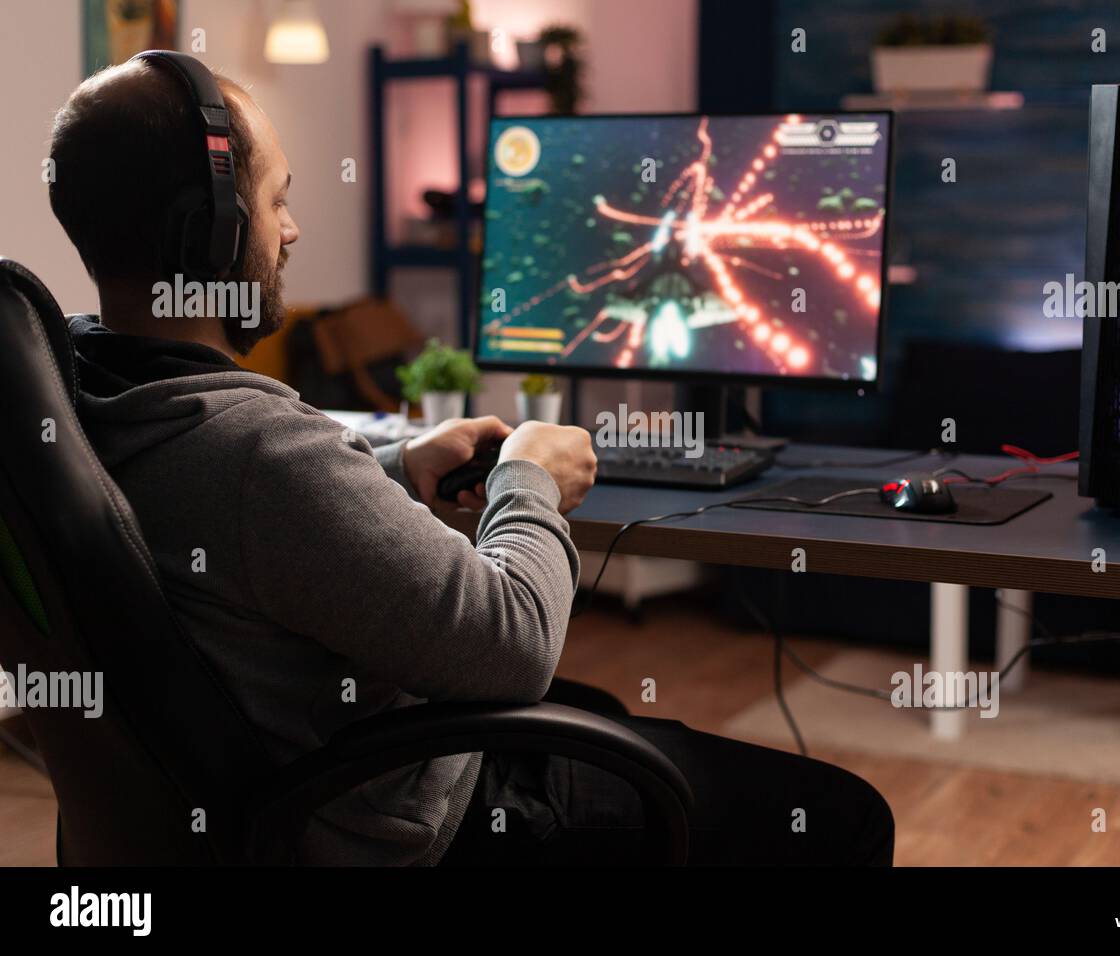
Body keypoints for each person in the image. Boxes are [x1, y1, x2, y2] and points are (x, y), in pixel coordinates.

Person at [46, 55, 893, 866]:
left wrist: (386, 469)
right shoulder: (258, 452)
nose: (293, 229)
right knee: (843, 816)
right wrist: (531, 480)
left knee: (604, 716)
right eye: (277, 201)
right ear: (214, 232)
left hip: (273, 806)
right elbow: (515, 645)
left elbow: (238, 539)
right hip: (405, 827)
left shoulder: (83, 407)